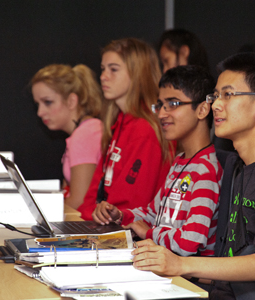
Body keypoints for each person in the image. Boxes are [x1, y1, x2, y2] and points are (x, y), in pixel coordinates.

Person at [131, 53, 255, 299]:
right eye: (216, 95)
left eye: (228, 95)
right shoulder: (240, 165)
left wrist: (181, 265)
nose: (215, 105)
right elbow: (233, 260)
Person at [92, 65, 223, 257]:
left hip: (187, 277)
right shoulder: (180, 161)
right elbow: (155, 213)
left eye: (173, 104)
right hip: (164, 263)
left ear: (203, 109)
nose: (161, 114)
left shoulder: (205, 171)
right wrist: (120, 215)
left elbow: (190, 242)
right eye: (160, 105)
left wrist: (148, 233)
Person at [78, 38, 173, 220]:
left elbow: (129, 205)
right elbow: (95, 190)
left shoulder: (146, 128)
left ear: (138, 73)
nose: (103, 76)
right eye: (103, 69)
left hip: (128, 233)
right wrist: (83, 215)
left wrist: (90, 216)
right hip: (107, 224)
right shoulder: (119, 121)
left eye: (113, 69)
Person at [31, 64, 104, 210]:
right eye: (38, 104)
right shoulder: (86, 130)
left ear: (71, 101)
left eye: (48, 102)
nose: (40, 112)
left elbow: (79, 202)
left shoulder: (85, 134)